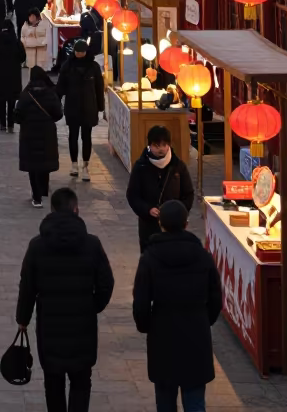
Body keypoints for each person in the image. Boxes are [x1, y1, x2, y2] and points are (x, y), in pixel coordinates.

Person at [16, 187, 114, 412]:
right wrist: (93, 306)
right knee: (81, 381)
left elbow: (27, 286)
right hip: (83, 326)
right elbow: (106, 283)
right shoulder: (92, 244)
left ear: (52, 210)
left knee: (53, 382)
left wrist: (23, 318)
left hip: (50, 325)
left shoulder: (37, 246)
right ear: (76, 209)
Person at [133, 200, 222, 412]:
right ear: (186, 224)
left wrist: (147, 326)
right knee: (195, 402)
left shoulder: (149, 258)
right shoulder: (203, 257)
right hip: (196, 333)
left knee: (165, 401)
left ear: (161, 224)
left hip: (163, 334)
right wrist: (203, 319)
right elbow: (216, 299)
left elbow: (141, 303)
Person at [127, 125, 195, 251]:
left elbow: (188, 193)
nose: (161, 149)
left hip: (173, 226)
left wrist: (179, 212)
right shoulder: (140, 166)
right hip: (149, 225)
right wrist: (147, 210)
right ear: (150, 145)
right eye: (157, 145)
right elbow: (133, 195)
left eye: (164, 145)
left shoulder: (178, 166)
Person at [56, 38, 105, 181]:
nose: (79, 54)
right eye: (77, 52)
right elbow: (61, 86)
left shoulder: (94, 67)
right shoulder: (67, 66)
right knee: (72, 135)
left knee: (86, 137)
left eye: (82, 52)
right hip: (72, 106)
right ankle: (73, 164)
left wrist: (101, 107)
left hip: (89, 106)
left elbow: (99, 88)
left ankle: (85, 165)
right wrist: (56, 102)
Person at [15, 65, 63, 207]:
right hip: (47, 134)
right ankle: (43, 190)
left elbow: (17, 117)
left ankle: (36, 197)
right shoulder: (50, 93)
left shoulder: (25, 95)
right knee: (45, 163)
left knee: (32, 166)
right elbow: (59, 114)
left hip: (29, 134)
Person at [0, 20, 26, 132]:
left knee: (1, 102)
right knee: (12, 102)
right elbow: (23, 57)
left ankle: (2, 123)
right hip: (14, 77)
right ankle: (11, 125)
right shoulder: (17, 43)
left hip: (0, 78)